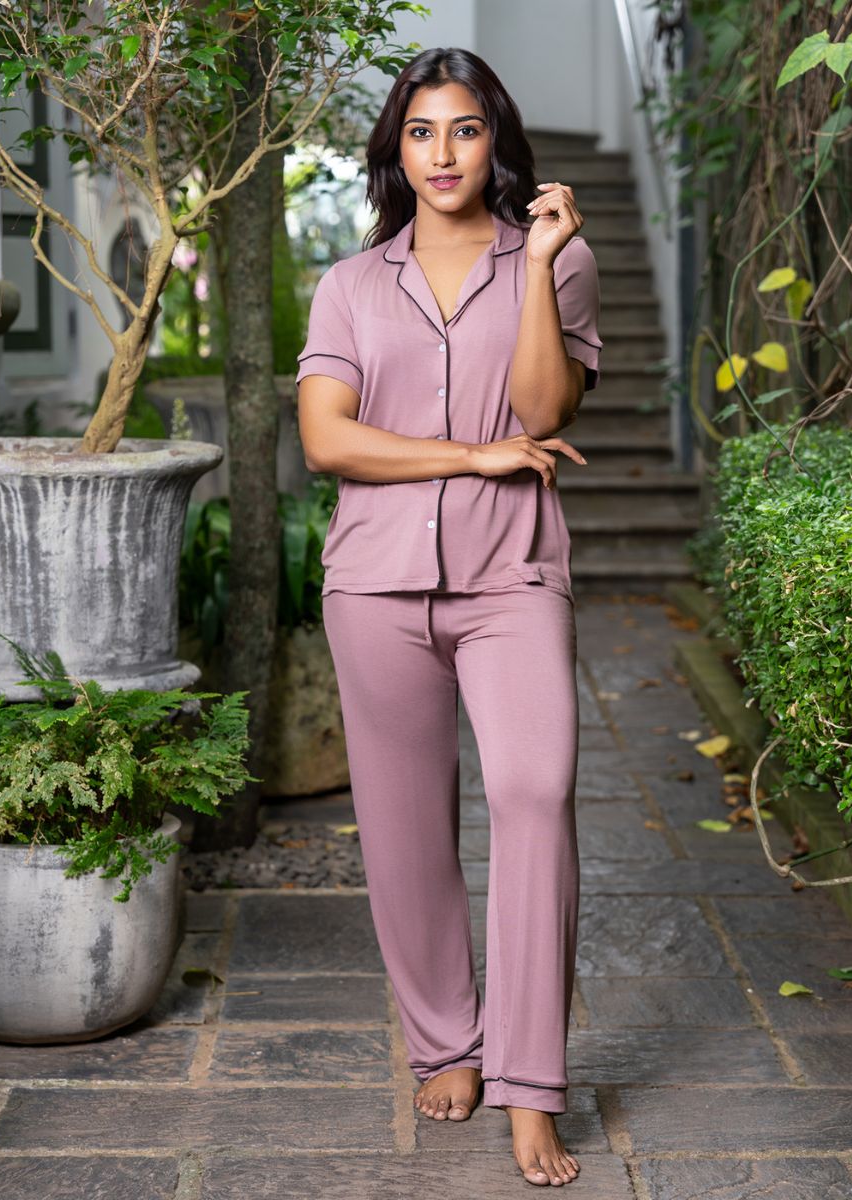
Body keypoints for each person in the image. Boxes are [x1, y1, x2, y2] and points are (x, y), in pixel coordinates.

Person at [296, 45, 602, 1189]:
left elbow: (542, 404)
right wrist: (470, 455)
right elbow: (329, 439)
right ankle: (448, 1043)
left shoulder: (556, 265)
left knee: (534, 790)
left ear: (495, 141)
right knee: (406, 828)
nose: (443, 154)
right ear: (396, 150)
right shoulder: (350, 284)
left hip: (510, 576)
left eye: (464, 130)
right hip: (373, 586)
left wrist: (538, 272)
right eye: (421, 132)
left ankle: (531, 1085)